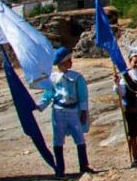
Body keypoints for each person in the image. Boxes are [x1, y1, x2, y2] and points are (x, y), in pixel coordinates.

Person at [38, 47, 94, 177]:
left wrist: (84, 111)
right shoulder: (53, 78)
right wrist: (39, 106)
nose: (71, 62)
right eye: (68, 60)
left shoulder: (77, 77)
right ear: (62, 62)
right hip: (58, 112)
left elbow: (82, 95)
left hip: (73, 111)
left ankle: (84, 165)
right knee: (58, 139)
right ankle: (60, 169)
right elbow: (48, 95)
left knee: (79, 138)